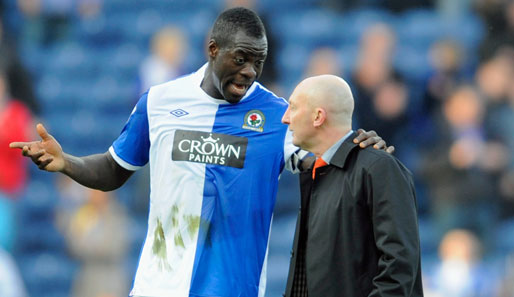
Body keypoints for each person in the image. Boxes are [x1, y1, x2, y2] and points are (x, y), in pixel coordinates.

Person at [10, 7, 392, 297]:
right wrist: (66, 163)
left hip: (235, 288)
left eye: (257, 62)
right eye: (240, 59)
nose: (248, 72)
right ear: (213, 49)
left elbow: (321, 163)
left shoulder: (279, 116)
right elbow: (115, 168)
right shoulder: (159, 101)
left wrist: (363, 152)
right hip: (158, 285)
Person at [281, 75, 423, 297]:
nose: (285, 118)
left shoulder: (378, 168)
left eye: (292, 108)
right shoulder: (316, 172)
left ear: (318, 116)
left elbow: (399, 264)